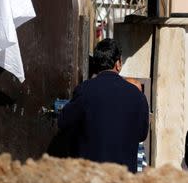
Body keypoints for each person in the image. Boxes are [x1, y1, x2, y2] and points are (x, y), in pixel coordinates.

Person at [58, 38, 149, 173]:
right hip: (123, 179)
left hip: (92, 179)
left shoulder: (84, 90)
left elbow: (64, 123)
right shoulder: (137, 96)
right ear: (118, 64)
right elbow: (142, 134)